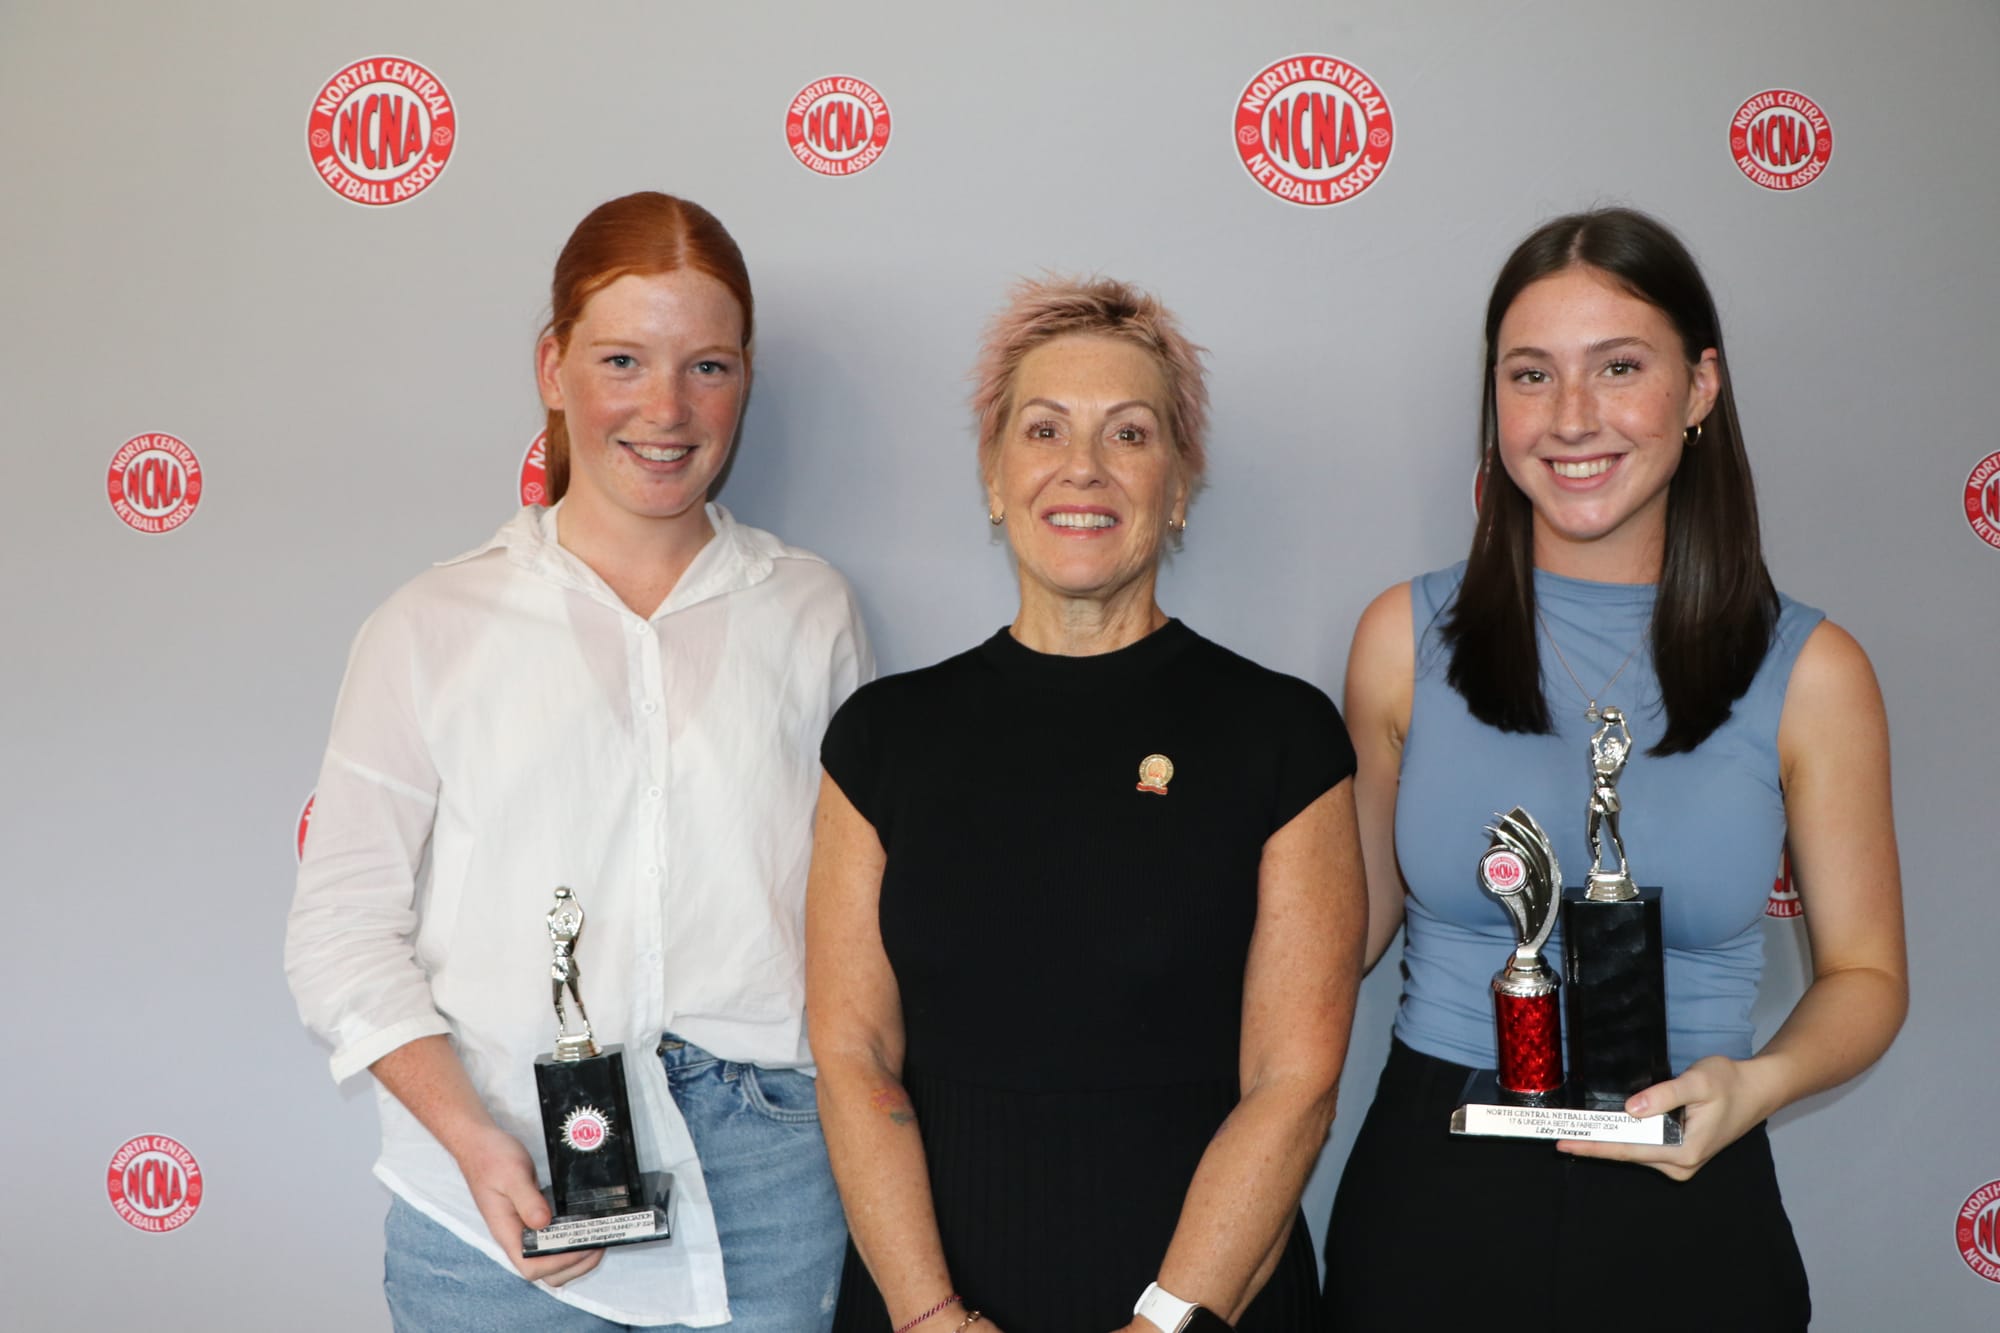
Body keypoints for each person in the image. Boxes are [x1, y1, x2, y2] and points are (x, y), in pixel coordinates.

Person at [285, 191, 872, 1332]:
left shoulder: (812, 611)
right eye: (621, 359)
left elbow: (853, 921)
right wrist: (471, 1139)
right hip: (491, 1194)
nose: (665, 407)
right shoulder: (430, 623)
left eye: (707, 366)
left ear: (745, 379)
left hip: (770, 1198)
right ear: (552, 368)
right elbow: (339, 930)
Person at [1322, 208, 1907, 1330]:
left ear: (1698, 388)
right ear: (1492, 406)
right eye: (1529, 374)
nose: (1570, 418)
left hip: (1691, 1180)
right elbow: (1340, 935)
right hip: (1434, 1193)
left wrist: (1756, 1085)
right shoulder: (1400, 637)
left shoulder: (1811, 671)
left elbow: (1866, 976)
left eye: (1619, 368)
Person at [808, 276, 1368, 1333]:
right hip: (929, 1296)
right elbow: (853, 1057)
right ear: (991, 476)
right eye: (1043, 429)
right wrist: (926, 1316)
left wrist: (1163, 1321)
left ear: (1180, 485)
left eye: (1128, 433)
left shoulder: (1281, 737)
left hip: (1202, 1298)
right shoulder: (880, 740)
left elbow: (1293, 1081)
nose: (1082, 468)